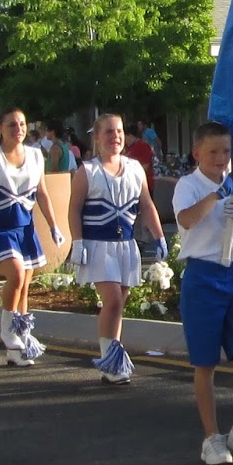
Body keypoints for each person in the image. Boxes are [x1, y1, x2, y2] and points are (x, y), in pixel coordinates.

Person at [173, 121, 233, 465]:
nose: (221, 158)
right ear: (198, 153)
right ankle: (211, 438)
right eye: (213, 152)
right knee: (205, 362)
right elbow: (184, 219)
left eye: (226, 151)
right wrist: (216, 197)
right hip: (202, 276)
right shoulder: (189, 185)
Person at [68, 113, 169, 384]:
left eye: (119, 131)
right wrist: (77, 243)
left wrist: (159, 237)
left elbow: (146, 205)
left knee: (119, 303)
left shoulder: (135, 168)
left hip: (126, 246)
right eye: (109, 132)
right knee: (111, 300)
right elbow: (74, 209)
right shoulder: (87, 171)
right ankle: (109, 361)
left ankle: (112, 358)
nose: (116, 137)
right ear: (98, 137)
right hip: (98, 246)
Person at [0, 108, 65, 366]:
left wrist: (54, 226)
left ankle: (18, 348)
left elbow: (42, 193)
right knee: (16, 275)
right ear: (0, 128)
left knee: (25, 286)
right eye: (12, 125)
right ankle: (7, 330)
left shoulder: (35, 155)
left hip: (24, 227)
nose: (18, 129)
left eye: (21, 124)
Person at [125, 120, 157, 197]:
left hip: (144, 185)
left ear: (129, 135)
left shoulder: (143, 146)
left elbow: (146, 166)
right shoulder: (128, 148)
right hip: (131, 185)